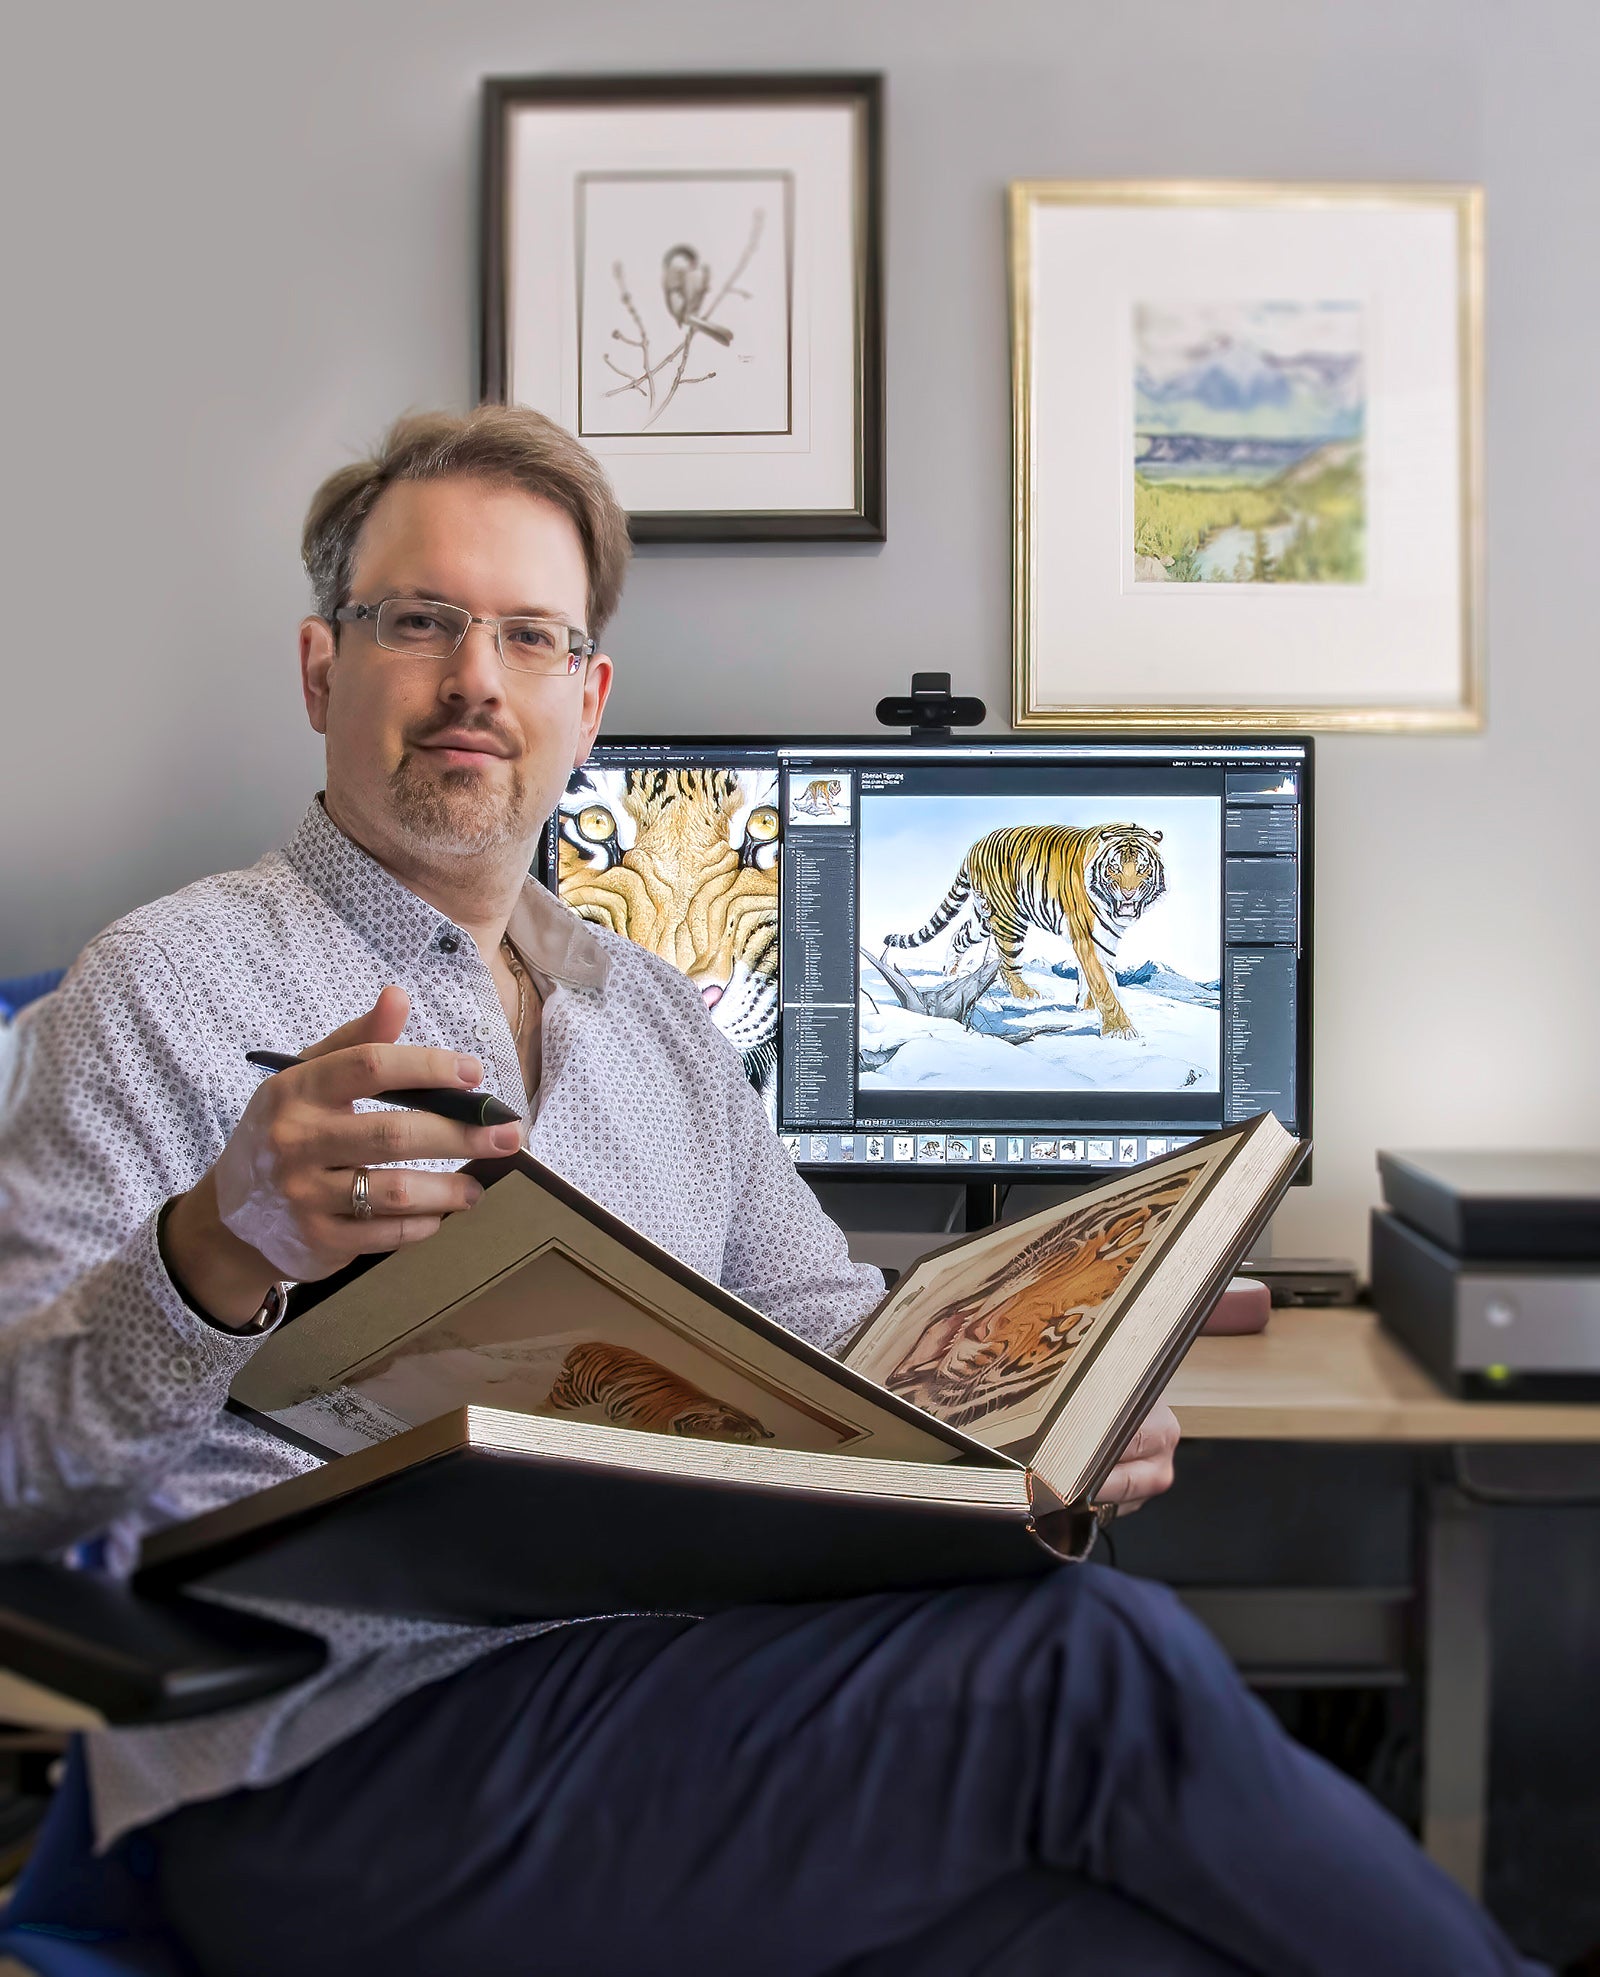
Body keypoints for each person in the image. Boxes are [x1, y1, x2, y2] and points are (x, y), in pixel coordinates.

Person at [0, 407, 1540, 1976]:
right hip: (333, 1762)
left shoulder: (659, 1022)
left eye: (531, 635)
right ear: (323, 668)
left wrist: (1048, 1407)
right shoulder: (162, 987)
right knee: (1088, 1668)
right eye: (421, 620)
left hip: (685, 1718)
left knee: (1116, 1946)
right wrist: (212, 1248)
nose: (476, 677)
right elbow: (14, 1478)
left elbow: (842, 1352)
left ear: (587, 705)